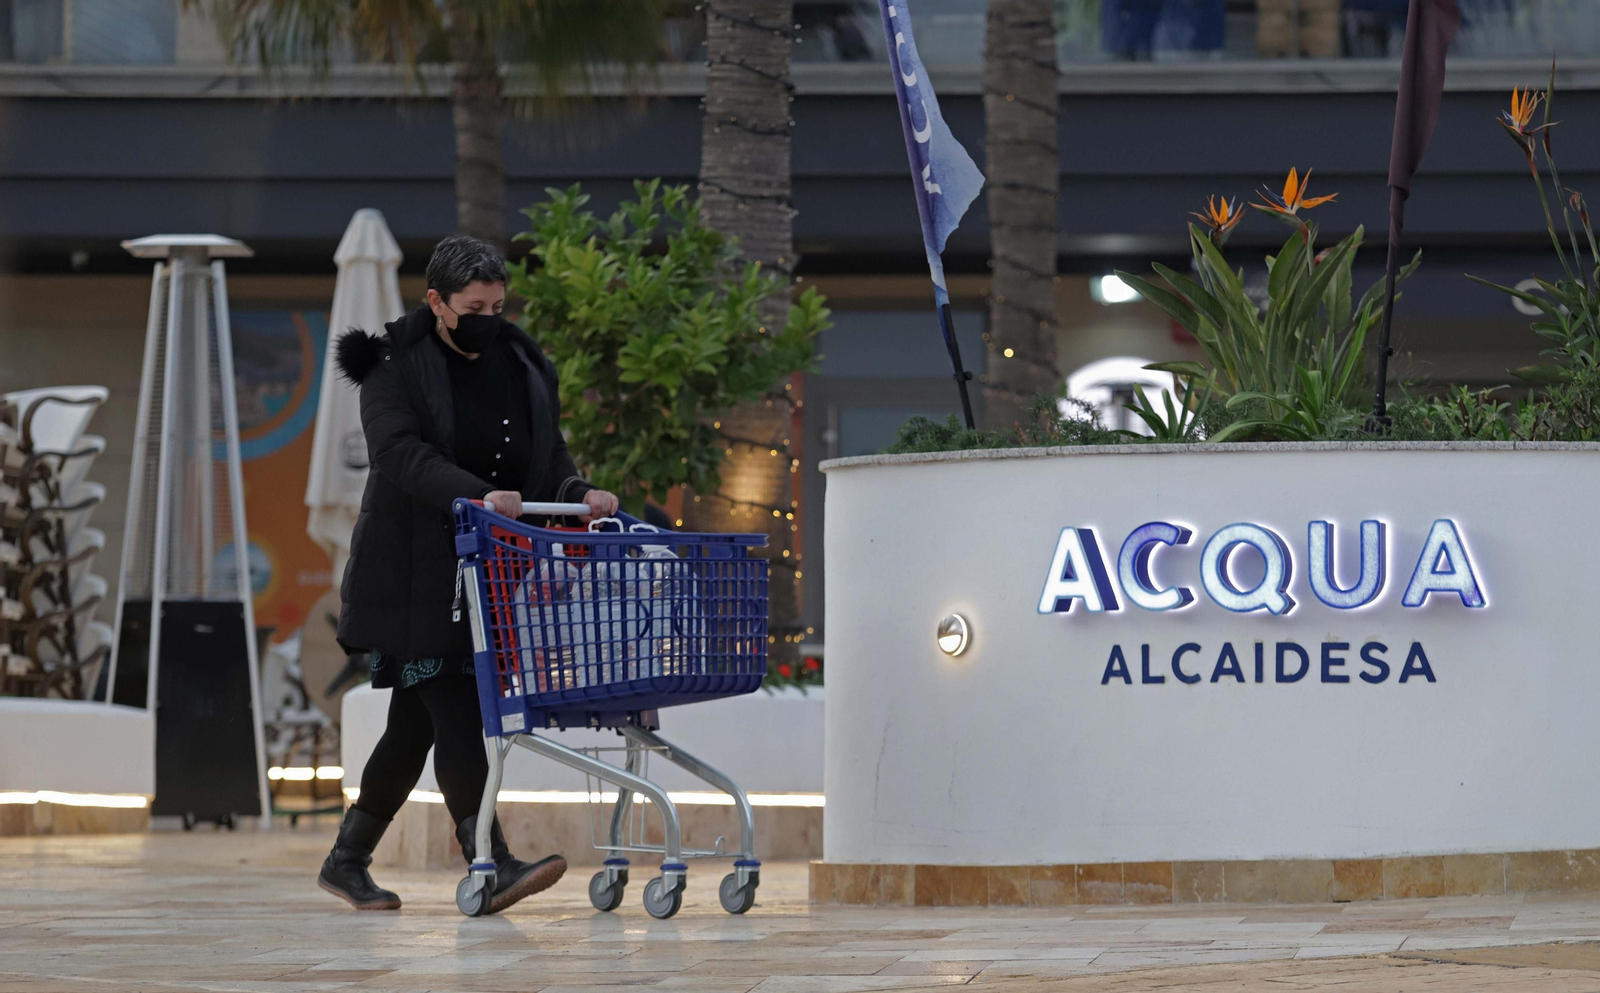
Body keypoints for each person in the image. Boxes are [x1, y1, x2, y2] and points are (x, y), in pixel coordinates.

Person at [318, 235, 620, 912]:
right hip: (411, 579)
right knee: (454, 702)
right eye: (474, 306)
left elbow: (546, 458)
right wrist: (478, 492)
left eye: (498, 304)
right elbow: (400, 455)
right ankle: (492, 860)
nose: (489, 316)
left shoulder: (515, 361)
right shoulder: (395, 366)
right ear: (437, 302)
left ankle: (346, 859)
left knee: (412, 727)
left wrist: (579, 491)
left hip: (482, 576)